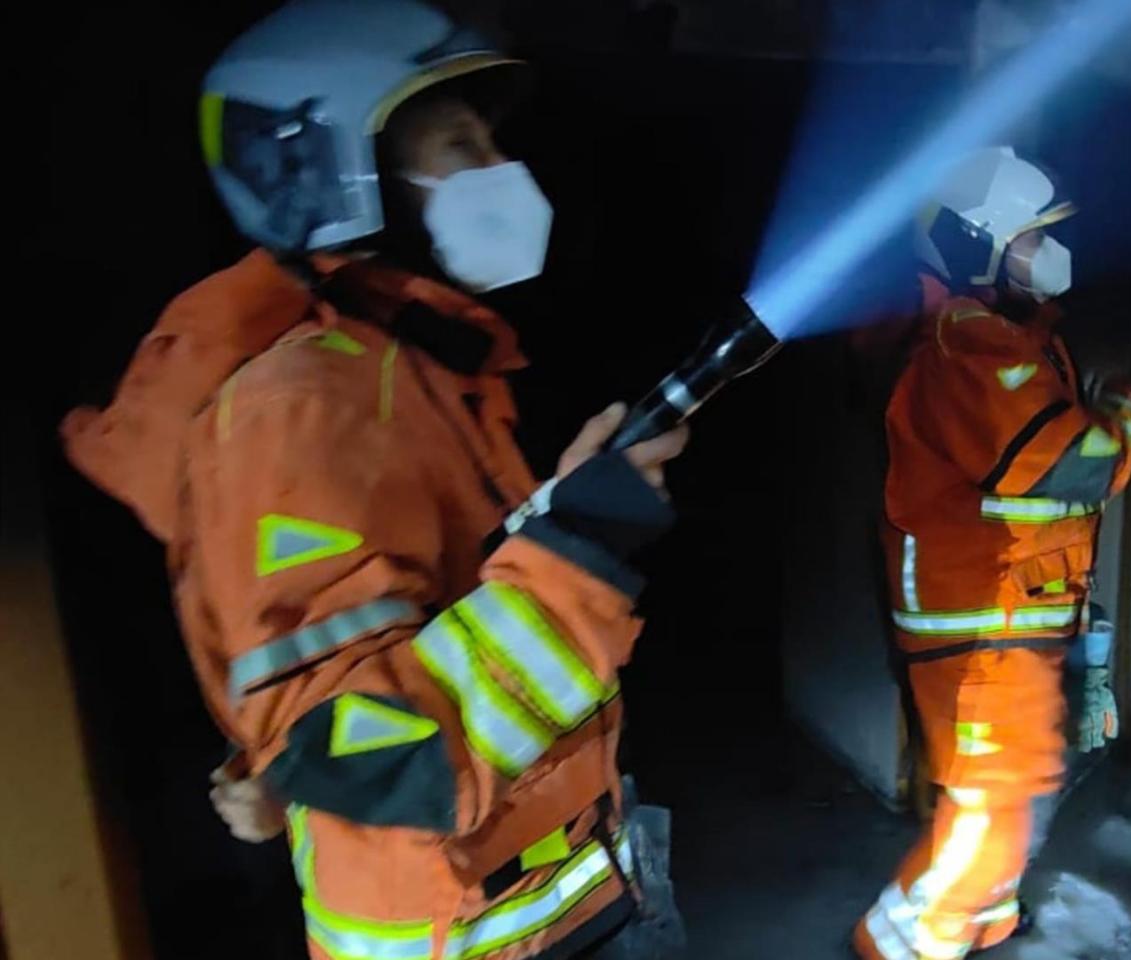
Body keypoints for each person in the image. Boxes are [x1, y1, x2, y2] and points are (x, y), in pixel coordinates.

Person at [61, 2, 687, 958]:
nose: (501, 171)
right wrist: (577, 555)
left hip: (558, 898)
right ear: (334, 174)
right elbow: (365, 753)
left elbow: (394, 654)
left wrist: (563, 527)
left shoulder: (422, 373)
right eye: (459, 144)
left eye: (492, 140)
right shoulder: (301, 411)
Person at [853, 146, 1131, 960]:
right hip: (982, 616)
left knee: (998, 793)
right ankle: (907, 941)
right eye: (1033, 238)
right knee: (997, 798)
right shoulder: (971, 344)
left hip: (1009, 612)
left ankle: (975, 922)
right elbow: (1075, 467)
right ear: (975, 242)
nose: (1051, 256)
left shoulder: (1011, 340)